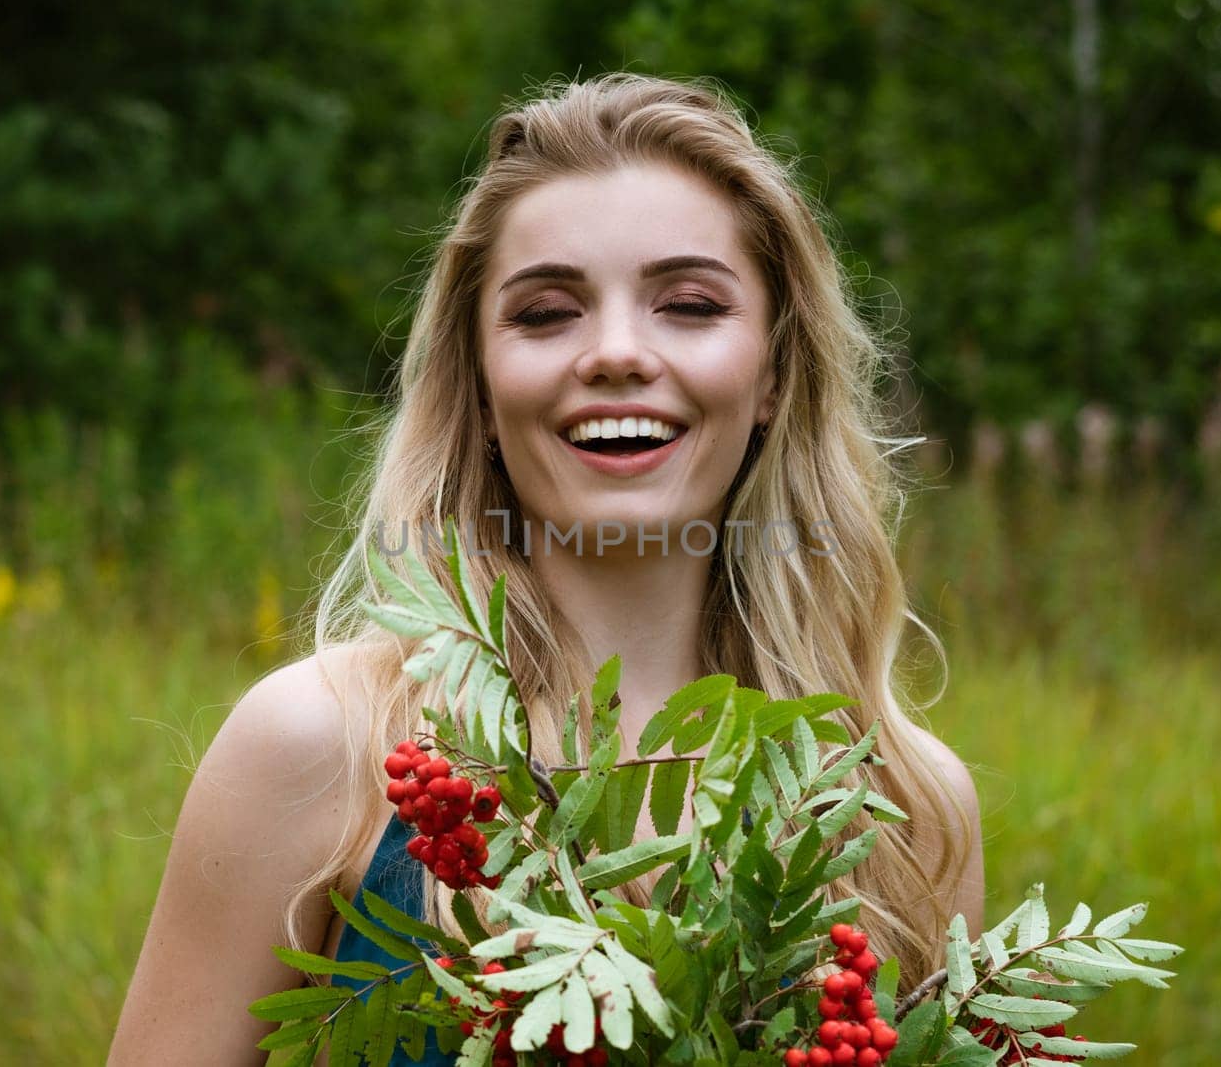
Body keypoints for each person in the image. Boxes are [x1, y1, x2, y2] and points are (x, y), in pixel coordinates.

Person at [109, 72, 983, 1065]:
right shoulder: (326, 748)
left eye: (688, 305)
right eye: (544, 314)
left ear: (774, 370)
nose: (615, 353)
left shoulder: (902, 802)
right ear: (480, 387)